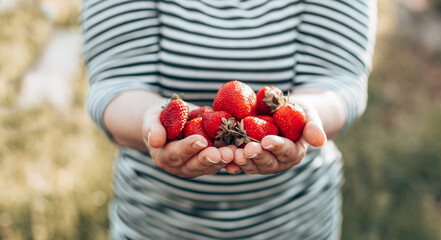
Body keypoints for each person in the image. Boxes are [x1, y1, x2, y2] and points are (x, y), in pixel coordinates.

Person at [81, 0, 377, 239]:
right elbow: (115, 83)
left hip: (296, 221)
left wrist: (304, 115)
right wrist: (151, 121)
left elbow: (338, 79)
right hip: (157, 221)